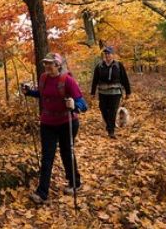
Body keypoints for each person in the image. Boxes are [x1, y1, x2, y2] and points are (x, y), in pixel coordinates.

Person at [21, 52, 87, 204]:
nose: (47, 66)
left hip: (67, 122)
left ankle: (75, 182)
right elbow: (43, 94)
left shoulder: (68, 80)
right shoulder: (43, 78)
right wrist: (29, 92)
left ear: (58, 65)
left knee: (66, 152)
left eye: (50, 63)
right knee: (47, 157)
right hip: (48, 122)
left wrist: (74, 105)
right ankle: (42, 193)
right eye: (45, 63)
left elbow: (83, 105)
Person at [90, 46, 131, 139]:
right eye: (106, 54)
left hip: (115, 92)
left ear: (113, 55)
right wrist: (92, 92)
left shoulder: (118, 65)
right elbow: (95, 79)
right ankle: (110, 125)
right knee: (103, 109)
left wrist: (128, 92)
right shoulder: (99, 66)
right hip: (103, 92)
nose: (107, 55)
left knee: (112, 111)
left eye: (109, 53)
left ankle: (111, 131)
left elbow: (125, 78)